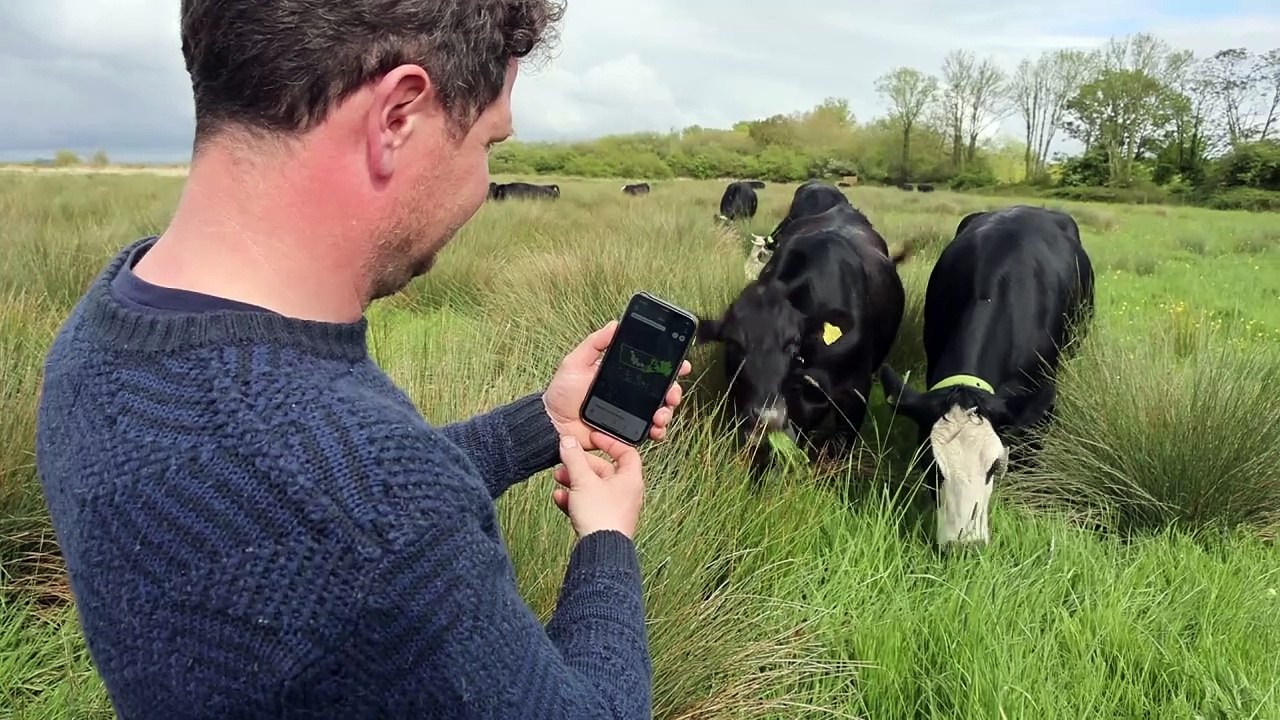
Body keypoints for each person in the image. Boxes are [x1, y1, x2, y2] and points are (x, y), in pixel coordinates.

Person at [33, 1, 691, 718]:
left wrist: (547, 420)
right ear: (398, 115)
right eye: (488, 146)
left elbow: (296, 510)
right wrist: (606, 542)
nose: (480, 184)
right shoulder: (373, 508)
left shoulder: (101, 333)